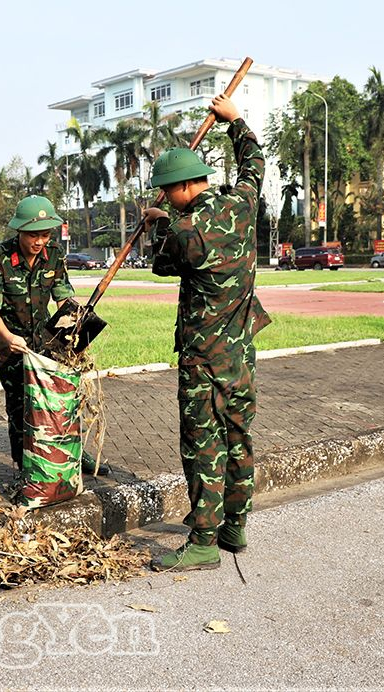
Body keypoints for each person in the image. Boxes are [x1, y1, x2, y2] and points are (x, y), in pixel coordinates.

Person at [143, 94, 271, 571]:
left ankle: (202, 542)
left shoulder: (183, 233)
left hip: (203, 359)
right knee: (239, 436)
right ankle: (235, 525)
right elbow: (254, 164)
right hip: (241, 354)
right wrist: (236, 120)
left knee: (203, 446)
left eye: (166, 192)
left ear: (178, 190)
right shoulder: (242, 204)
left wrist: (160, 225)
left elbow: (164, 265)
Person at [0, 195, 108, 479]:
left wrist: (76, 330)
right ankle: (25, 465)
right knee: (20, 406)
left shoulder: (54, 254)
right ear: (19, 231)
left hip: (47, 342)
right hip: (11, 346)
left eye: (45, 234)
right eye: (33, 235)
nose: (39, 241)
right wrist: (8, 336)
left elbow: (63, 298)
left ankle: (72, 453)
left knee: (61, 400)